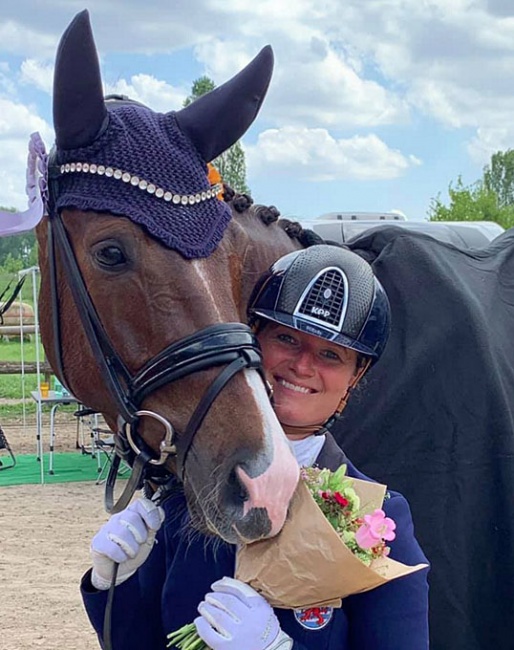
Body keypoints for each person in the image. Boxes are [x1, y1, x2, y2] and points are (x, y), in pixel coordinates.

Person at [81, 244, 429, 649]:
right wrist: (113, 584)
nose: (302, 366)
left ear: (354, 378)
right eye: (286, 338)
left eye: (330, 354)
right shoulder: (183, 496)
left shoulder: (379, 519)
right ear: (252, 340)